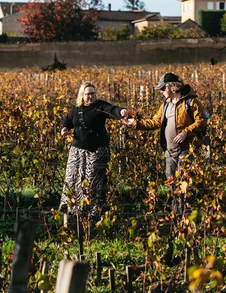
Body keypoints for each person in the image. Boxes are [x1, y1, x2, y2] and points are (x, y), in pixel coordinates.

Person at [59, 81, 128, 219]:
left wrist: (121, 111)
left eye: (92, 94)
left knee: (92, 183)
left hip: (96, 152)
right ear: (82, 95)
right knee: (71, 180)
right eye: (87, 94)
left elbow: (112, 110)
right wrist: (64, 129)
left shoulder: (100, 106)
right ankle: (71, 212)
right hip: (77, 152)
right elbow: (68, 121)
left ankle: (91, 215)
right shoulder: (76, 108)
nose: (90, 96)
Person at [127, 72, 207, 180]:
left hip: (186, 149)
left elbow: (201, 121)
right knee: (170, 179)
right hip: (170, 151)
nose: (161, 91)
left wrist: (185, 132)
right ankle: (174, 197)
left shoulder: (191, 102)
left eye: (163, 88)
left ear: (172, 87)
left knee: (184, 180)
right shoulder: (165, 104)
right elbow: (155, 122)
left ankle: (184, 197)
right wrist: (135, 123)